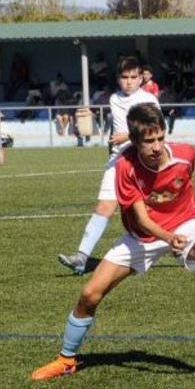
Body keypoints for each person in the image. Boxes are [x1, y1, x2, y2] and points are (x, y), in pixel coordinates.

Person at [32, 103, 195, 380]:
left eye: (160, 138)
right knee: (89, 294)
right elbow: (142, 220)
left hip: (187, 223)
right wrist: (169, 239)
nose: (157, 147)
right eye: (148, 141)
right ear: (134, 142)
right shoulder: (125, 167)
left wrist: (181, 234)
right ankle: (67, 359)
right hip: (143, 236)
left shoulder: (185, 155)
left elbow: (184, 189)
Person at [57, 57, 160, 275]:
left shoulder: (148, 98)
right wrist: (113, 152)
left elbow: (156, 129)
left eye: (134, 77)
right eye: (125, 77)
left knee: (155, 211)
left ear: (141, 78)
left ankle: (184, 246)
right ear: (118, 79)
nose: (129, 82)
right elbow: (116, 134)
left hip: (142, 162)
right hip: (118, 161)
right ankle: (81, 257)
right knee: (104, 207)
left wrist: (129, 137)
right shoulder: (114, 99)